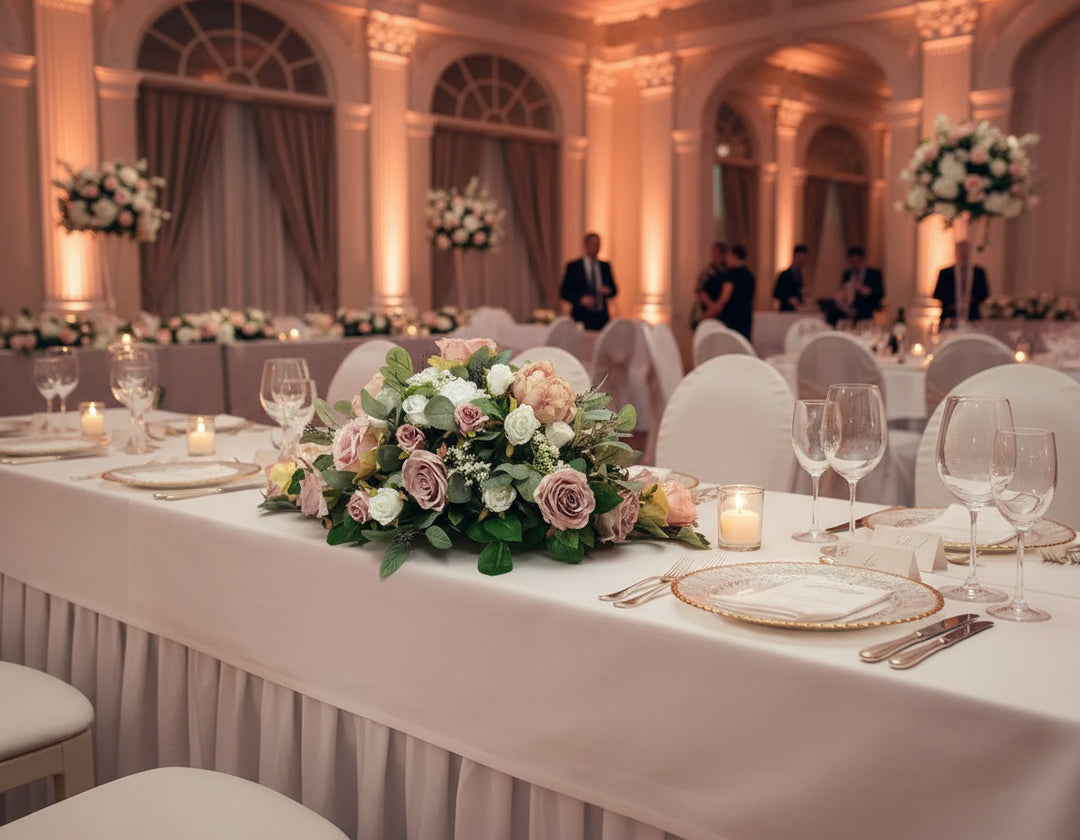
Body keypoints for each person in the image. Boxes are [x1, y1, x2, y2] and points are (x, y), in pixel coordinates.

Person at [560, 232, 617, 330]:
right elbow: (564, 292)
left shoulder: (604, 266)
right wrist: (580, 300)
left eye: (598, 244)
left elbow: (614, 290)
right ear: (586, 245)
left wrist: (607, 290)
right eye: (594, 244)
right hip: (581, 316)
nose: (596, 247)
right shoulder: (574, 267)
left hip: (601, 316)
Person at [702, 243, 755, 341]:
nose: (726, 258)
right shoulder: (749, 274)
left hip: (732, 318)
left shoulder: (731, 274)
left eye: (728, 255)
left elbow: (724, 298)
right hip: (745, 317)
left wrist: (710, 313)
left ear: (734, 256)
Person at [933, 240, 989, 324]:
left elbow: (984, 292)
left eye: (965, 252)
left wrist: (970, 298)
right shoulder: (945, 273)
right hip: (949, 316)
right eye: (961, 252)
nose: (963, 255)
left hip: (972, 317)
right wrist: (956, 299)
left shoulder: (978, 272)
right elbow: (938, 293)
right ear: (956, 253)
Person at [826, 246, 883, 325]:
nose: (853, 264)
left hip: (867, 308)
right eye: (851, 261)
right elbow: (844, 289)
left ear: (862, 259)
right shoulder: (847, 273)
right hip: (849, 307)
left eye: (855, 260)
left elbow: (880, 292)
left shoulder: (873, 273)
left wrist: (865, 290)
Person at [690, 242, 727, 328]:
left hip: (724, 313)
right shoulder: (707, 272)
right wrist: (711, 306)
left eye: (717, 253)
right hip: (708, 311)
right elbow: (700, 290)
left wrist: (717, 308)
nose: (714, 256)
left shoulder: (727, 272)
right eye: (713, 253)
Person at [772, 244, 809, 311]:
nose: (804, 261)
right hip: (786, 310)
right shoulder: (784, 274)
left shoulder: (800, 275)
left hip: (798, 310)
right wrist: (789, 299)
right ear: (796, 256)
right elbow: (776, 293)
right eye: (803, 258)